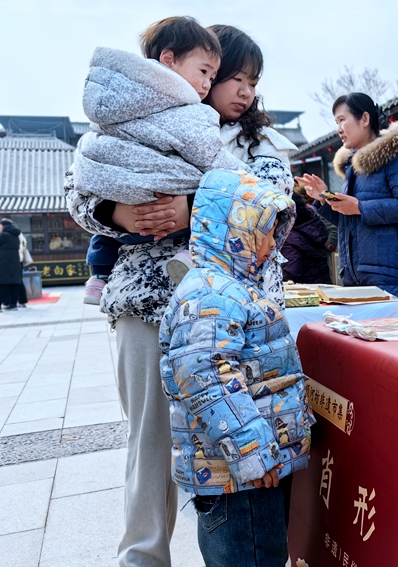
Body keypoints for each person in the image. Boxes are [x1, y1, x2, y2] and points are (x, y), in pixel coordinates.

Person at [64, 17, 230, 567]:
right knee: (149, 437)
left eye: (218, 74)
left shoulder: (203, 121)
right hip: (141, 297)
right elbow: (82, 192)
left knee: (218, 432)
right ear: (167, 61)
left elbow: (251, 190)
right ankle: (141, 556)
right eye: (204, 70)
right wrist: (117, 210)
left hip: (209, 298)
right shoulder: (111, 121)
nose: (213, 83)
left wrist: (192, 206)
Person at [160, 168, 312, 567]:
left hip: (244, 470)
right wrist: (254, 453)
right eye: (264, 235)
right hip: (239, 477)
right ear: (234, 231)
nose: (271, 248)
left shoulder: (233, 286)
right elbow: (206, 380)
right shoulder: (212, 293)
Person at [75, 17, 247, 306]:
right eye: (204, 72)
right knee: (218, 204)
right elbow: (210, 156)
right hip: (160, 245)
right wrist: (244, 175)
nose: (206, 84)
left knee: (105, 234)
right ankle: (192, 255)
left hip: (123, 232)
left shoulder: (115, 101)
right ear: (168, 59)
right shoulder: (187, 110)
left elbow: (84, 170)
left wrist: (116, 210)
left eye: (213, 78)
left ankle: (98, 274)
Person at [198, 24, 299, 307]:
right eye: (237, 79)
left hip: (247, 296)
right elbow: (85, 192)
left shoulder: (265, 140)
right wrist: (117, 213)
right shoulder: (160, 120)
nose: (246, 92)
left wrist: (184, 211)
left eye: (253, 83)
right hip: (159, 296)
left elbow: (271, 199)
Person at [297, 93, 398, 314]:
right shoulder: (353, 166)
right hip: (357, 277)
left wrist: (360, 207)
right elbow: (349, 219)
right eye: (337, 122)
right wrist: (324, 198)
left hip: (390, 277)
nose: (339, 128)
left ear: (364, 119)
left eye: (342, 119)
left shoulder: (396, 157)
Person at [281, 191, 331, 284]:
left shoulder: (289, 238)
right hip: (321, 286)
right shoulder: (311, 225)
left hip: (303, 292)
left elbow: (290, 274)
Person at [0, 219, 23, 311]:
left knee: (2, 285)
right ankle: (13, 304)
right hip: (14, 262)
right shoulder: (15, 235)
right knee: (13, 284)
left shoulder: (4, 235)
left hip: (3, 262)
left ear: (4, 226)